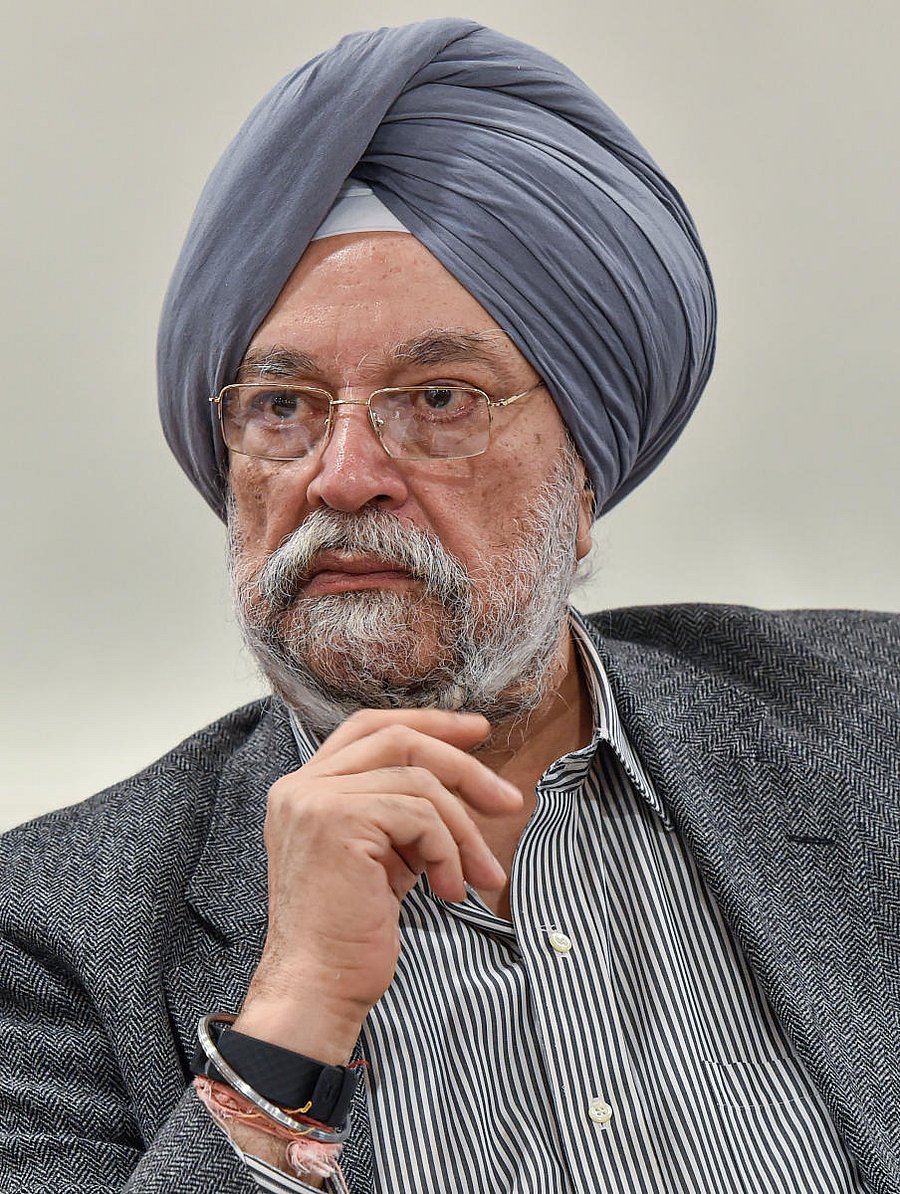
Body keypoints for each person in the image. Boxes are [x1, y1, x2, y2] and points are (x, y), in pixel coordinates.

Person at [1, 17, 897, 1194]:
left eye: (438, 397)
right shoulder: (47, 933)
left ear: (586, 477)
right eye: (283, 407)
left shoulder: (869, 728)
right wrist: (290, 1024)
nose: (343, 473)